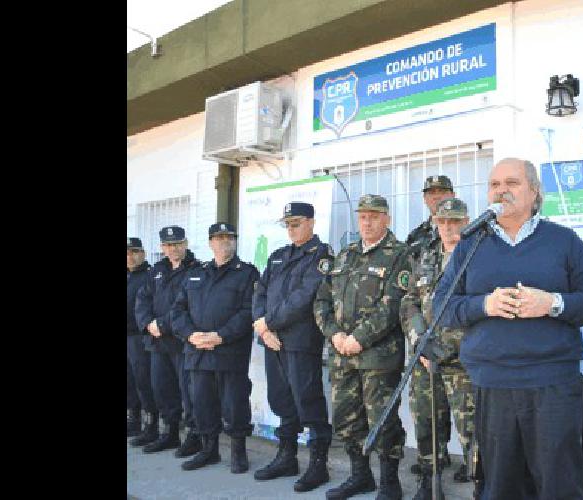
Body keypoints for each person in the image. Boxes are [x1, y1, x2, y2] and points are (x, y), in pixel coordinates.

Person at [432, 158, 583, 499]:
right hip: (492, 384)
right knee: (500, 486)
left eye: (511, 183)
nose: (501, 190)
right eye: (494, 184)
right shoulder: (471, 245)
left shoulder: (564, 241)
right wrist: (484, 305)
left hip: (553, 385)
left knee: (559, 485)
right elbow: (441, 307)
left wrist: (553, 303)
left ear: (534, 191)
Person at [314, 194, 411, 500]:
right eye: (363, 216)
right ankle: (361, 476)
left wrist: (359, 338)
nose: (367, 222)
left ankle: (389, 484)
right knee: (346, 420)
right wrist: (335, 336)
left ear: (387, 219)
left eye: (374, 216)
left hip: (378, 358)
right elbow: (321, 301)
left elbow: (394, 305)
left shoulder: (400, 255)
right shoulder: (345, 256)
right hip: (342, 356)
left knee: (383, 422)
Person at [251, 202, 336, 493]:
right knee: (281, 400)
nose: (291, 228)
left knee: (308, 400)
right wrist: (262, 326)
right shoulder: (278, 256)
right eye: (287, 224)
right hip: (272, 340)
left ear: (311, 222)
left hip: (301, 342)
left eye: (296, 223)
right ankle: (287, 457)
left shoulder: (321, 255)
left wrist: (267, 323)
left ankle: (318, 464)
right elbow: (259, 292)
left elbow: (305, 297)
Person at [400, 197, 478, 499]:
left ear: (466, 221)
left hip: (463, 362)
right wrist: (418, 339)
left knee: (473, 431)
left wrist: (443, 347)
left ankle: (481, 486)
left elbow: (479, 312)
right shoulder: (426, 255)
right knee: (426, 423)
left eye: (454, 221)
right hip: (424, 358)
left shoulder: (477, 257)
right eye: (442, 222)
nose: (448, 227)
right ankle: (429, 481)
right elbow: (409, 300)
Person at [171, 223, 260, 473]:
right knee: (202, 403)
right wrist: (191, 335)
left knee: (235, 404)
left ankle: (238, 452)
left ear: (235, 241)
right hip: (198, 352)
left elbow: (248, 312)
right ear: (210, 243)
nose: (224, 242)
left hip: (229, 352)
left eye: (229, 238)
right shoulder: (196, 273)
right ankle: (209, 451)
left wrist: (220, 336)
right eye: (219, 238)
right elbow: (178, 310)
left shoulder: (247, 273)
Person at [403, 174, 457, 477]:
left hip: (461, 346)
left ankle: (476, 467)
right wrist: (416, 336)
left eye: (442, 192)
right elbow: (409, 292)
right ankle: (431, 460)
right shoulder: (416, 238)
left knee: (468, 412)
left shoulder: (472, 232)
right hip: (424, 340)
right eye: (431, 193)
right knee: (425, 407)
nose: (436, 197)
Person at [134, 226, 202, 456]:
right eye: (168, 245)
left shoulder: (196, 270)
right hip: (158, 344)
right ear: (162, 247)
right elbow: (142, 299)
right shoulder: (157, 271)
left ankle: (194, 437)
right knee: (162, 390)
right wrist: (147, 323)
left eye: (177, 244)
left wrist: (161, 324)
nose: (173, 249)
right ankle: (170, 434)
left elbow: (188, 306)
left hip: (182, 343)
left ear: (186, 243)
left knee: (188, 393)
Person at [127, 238, 156, 439]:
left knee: (142, 380)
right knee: (128, 380)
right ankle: (133, 419)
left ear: (143, 253)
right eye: (127, 252)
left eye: (134, 251)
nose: (130, 256)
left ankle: (151, 423)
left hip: (139, 336)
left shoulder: (151, 275)